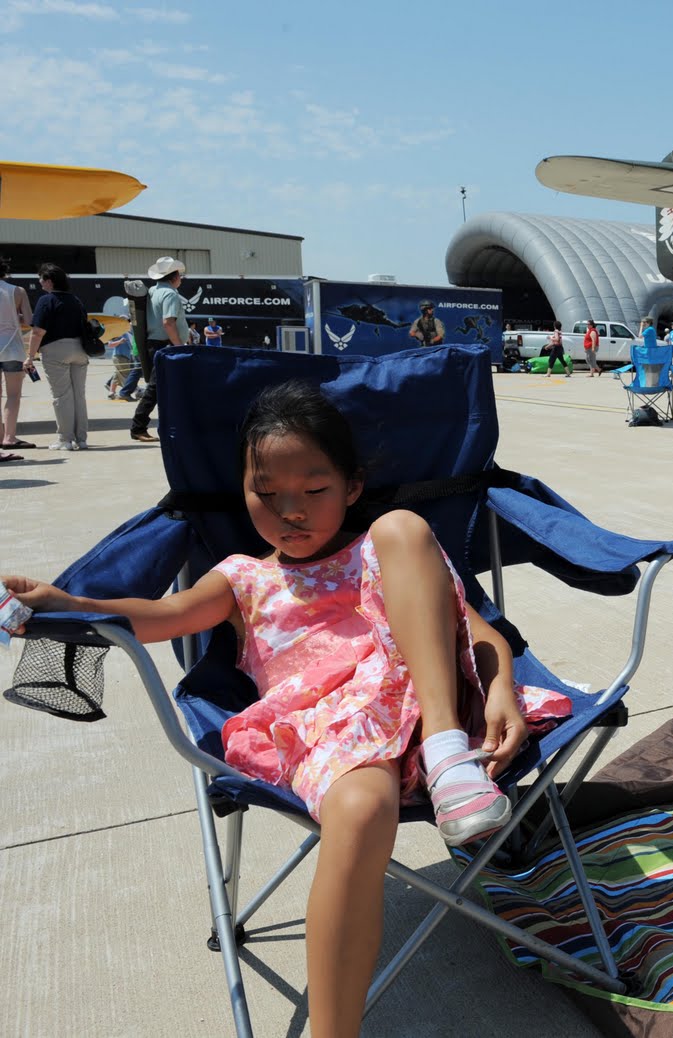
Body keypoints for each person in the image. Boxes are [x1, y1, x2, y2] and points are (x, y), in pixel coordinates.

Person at [2, 380, 569, 1038]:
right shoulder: (244, 576)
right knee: (359, 809)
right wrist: (75, 604)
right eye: (265, 494)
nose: (289, 511)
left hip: (435, 714)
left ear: (352, 486)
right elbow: (162, 616)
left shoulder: (384, 550)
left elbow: (472, 629)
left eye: (314, 490)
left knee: (406, 526)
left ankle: (446, 760)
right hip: (334, 734)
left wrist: (499, 686)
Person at [24, 264, 92, 451]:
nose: (39, 282)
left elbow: (37, 332)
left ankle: (65, 439)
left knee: (62, 396)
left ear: (49, 281)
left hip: (55, 351)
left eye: (41, 279)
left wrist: (30, 356)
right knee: (79, 395)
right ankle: (82, 439)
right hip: (79, 349)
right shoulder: (76, 300)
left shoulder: (46, 301)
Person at [132, 256, 190, 444]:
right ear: (174, 277)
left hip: (154, 344)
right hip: (167, 345)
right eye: (180, 276)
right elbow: (168, 322)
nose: (181, 279)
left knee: (163, 389)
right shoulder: (170, 294)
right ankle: (138, 427)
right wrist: (178, 346)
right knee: (156, 389)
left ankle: (169, 424)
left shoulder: (152, 292)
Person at [0, 257, 33, 460]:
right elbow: (29, 320)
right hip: (12, 347)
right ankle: (10, 438)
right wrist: (15, 316)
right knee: (13, 395)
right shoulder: (18, 291)